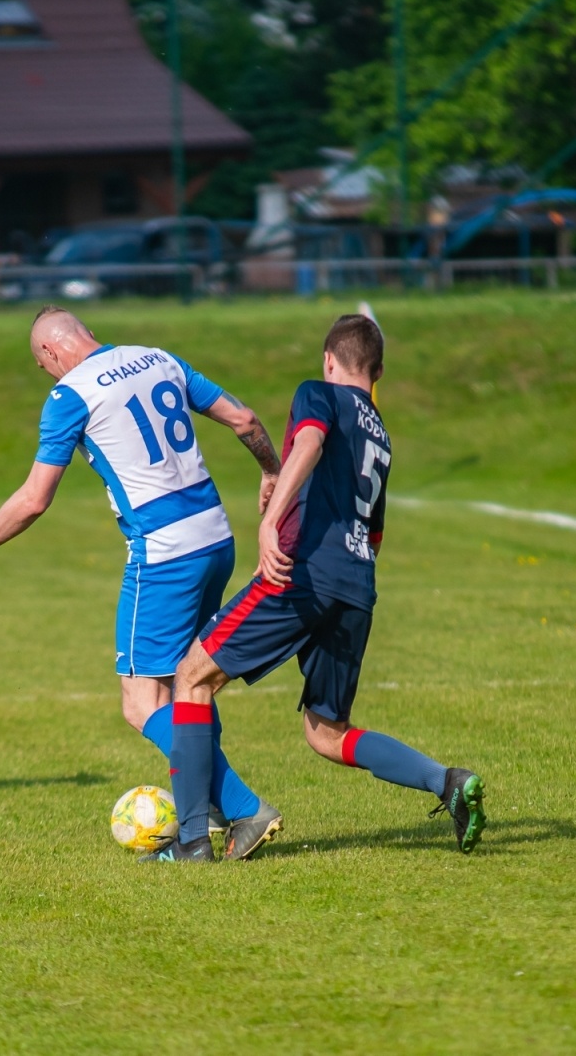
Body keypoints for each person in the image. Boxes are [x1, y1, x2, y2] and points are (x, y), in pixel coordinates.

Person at [0, 307, 286, 859]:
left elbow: (34, 498)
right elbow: (243, 419)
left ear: (50, 353)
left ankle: (242, 809)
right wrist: (271, 470)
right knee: (190, 681)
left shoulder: (69, 395)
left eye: (42, 365)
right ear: (88, 334)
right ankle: (204, 823)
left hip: (164, 552)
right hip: (216, 536)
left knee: (141, 702)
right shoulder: (157, 357)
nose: (47, 373)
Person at [148, 314, 487, 864]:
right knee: (326, 732)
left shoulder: (319, 393)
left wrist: (270, 518)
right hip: (357, 586)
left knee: (191, 676)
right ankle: (445, 781)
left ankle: (190, 841)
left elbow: (308, 440)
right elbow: (374, 532)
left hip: (302, 573)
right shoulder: (380, 433)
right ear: (377, 372)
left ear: (329, 360)